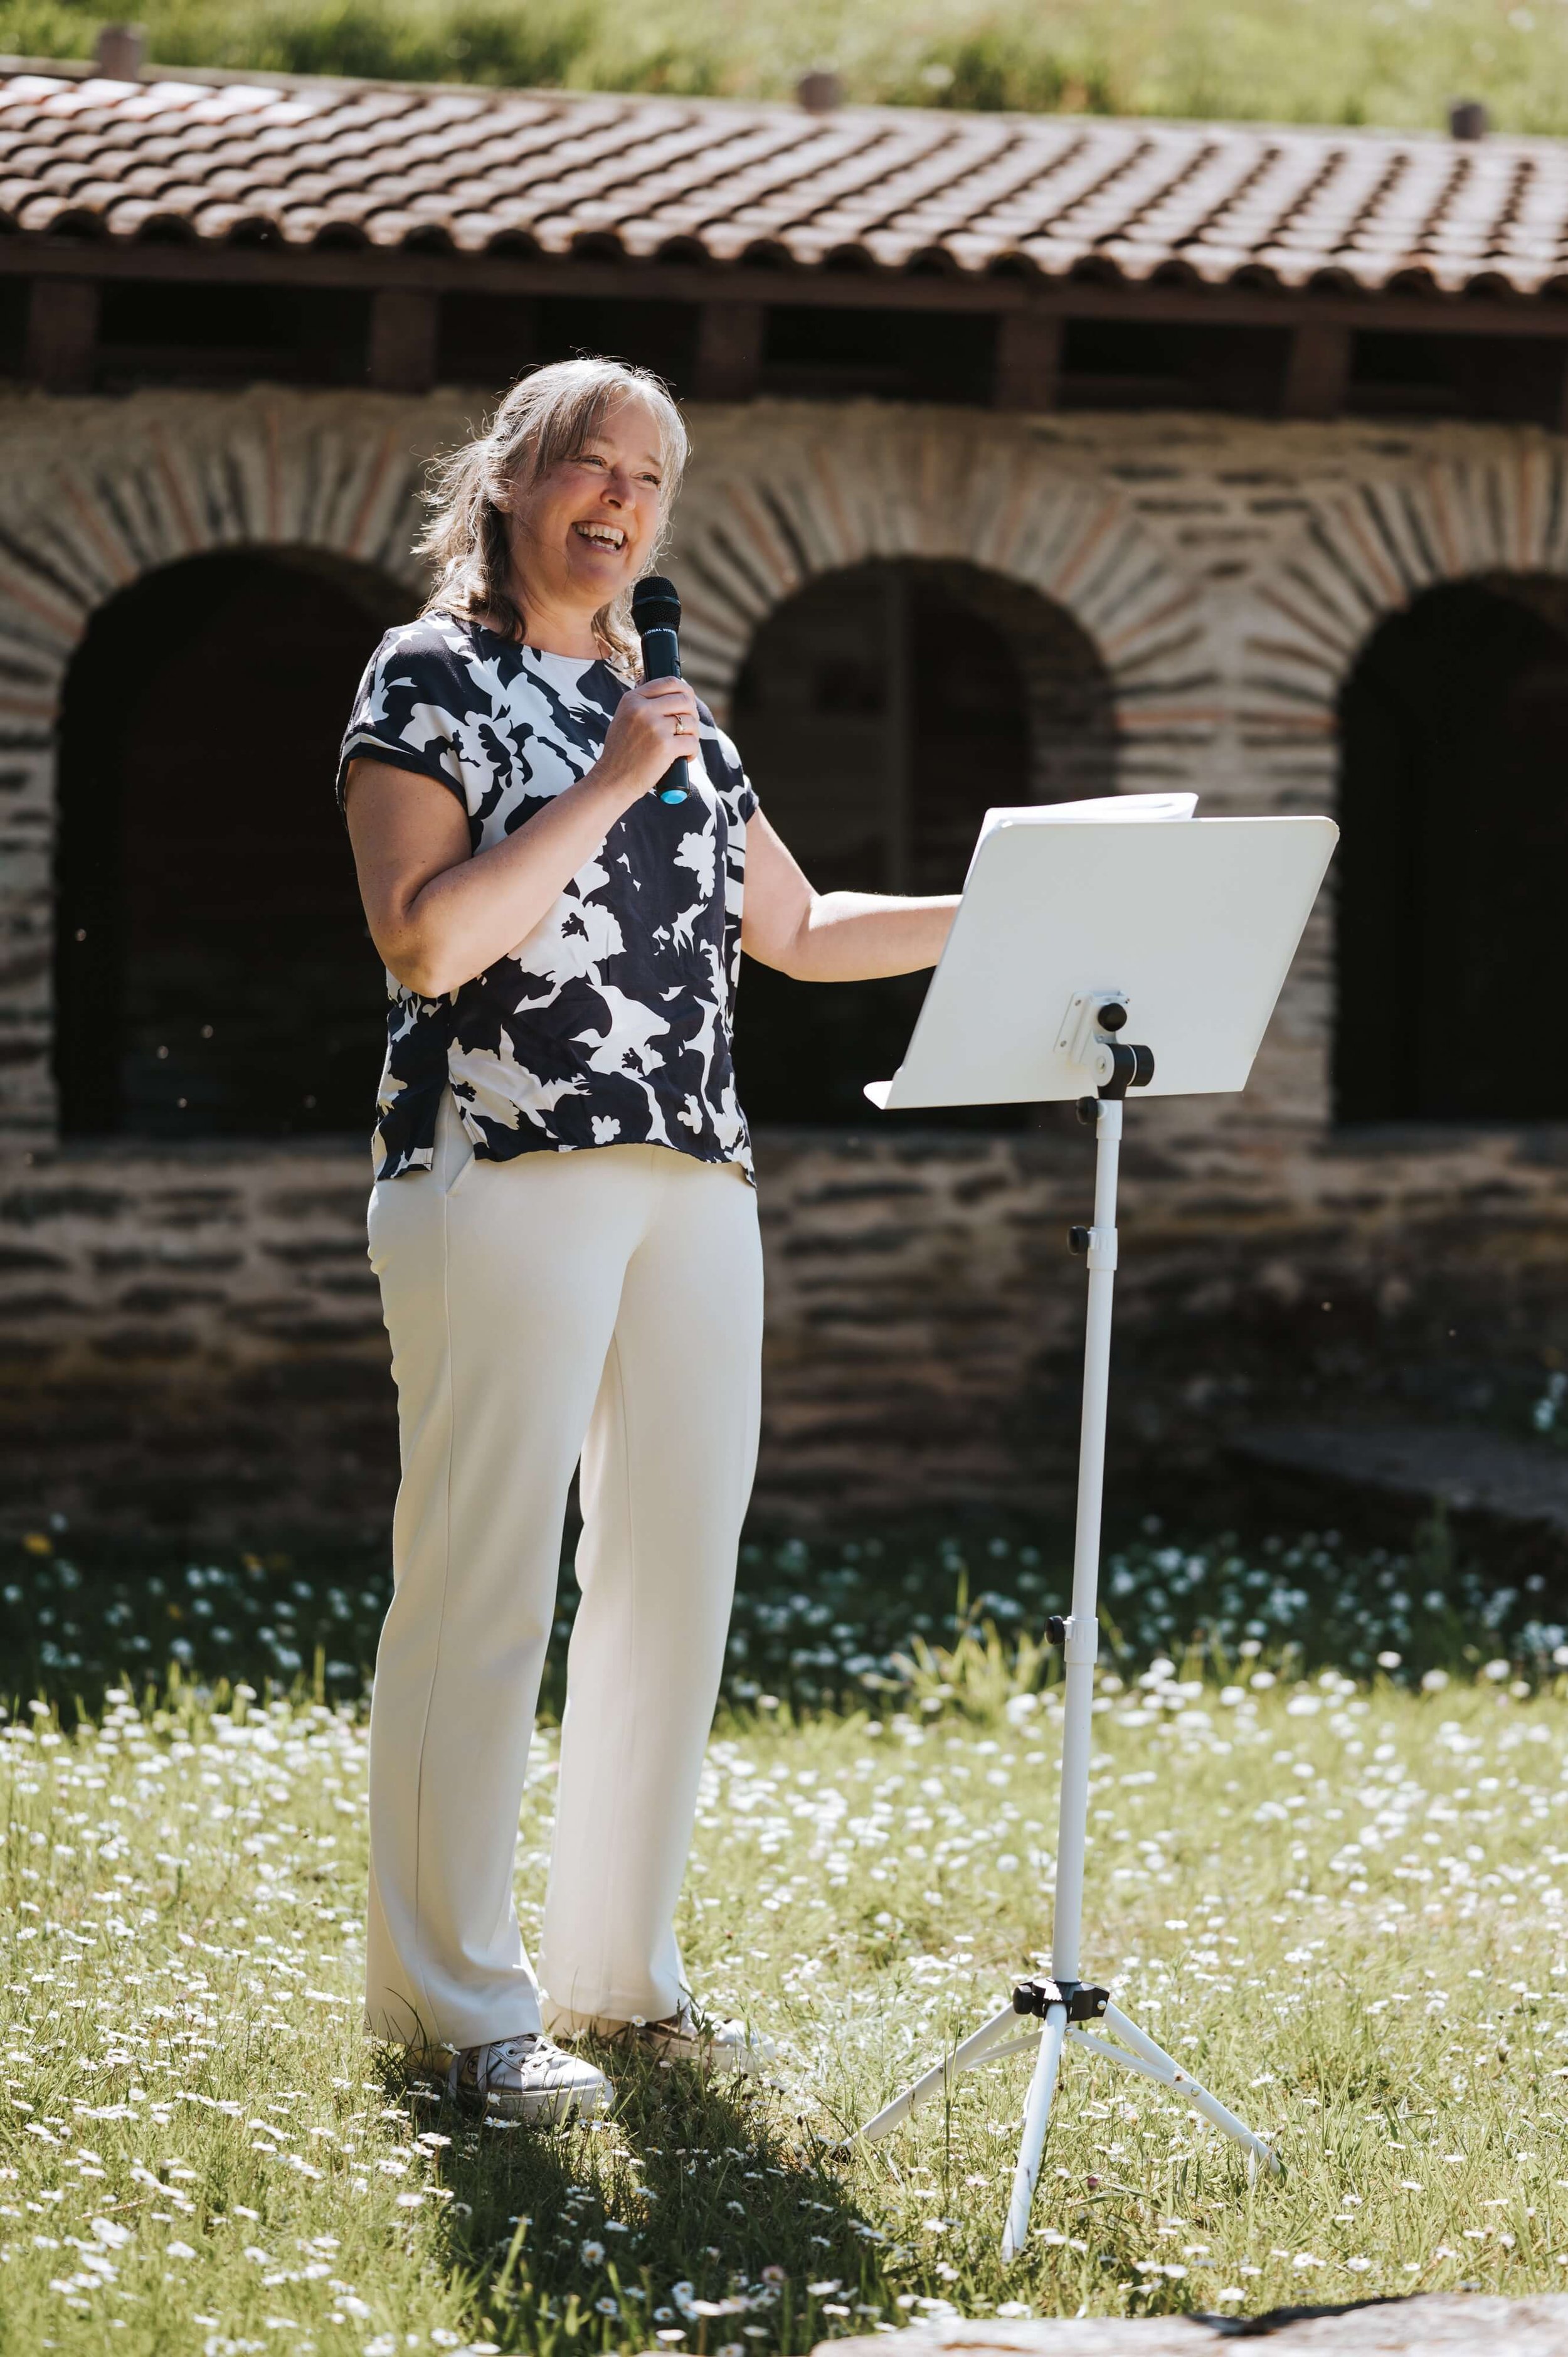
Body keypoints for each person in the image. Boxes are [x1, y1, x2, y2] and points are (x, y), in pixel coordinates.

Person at [339, 356, 957, 2121]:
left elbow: (812, 929)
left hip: (698, 1180)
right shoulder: (430, 675)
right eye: (585, 466)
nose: (620, 500)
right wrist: (609, 782)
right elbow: (425, 944)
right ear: (510, 483)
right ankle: (456, 2019)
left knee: (668, 1586)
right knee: (483, 1584)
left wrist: (1026, 907)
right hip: (500, 1165)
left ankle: (622, 1985)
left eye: (651, 477)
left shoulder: (674, 709)